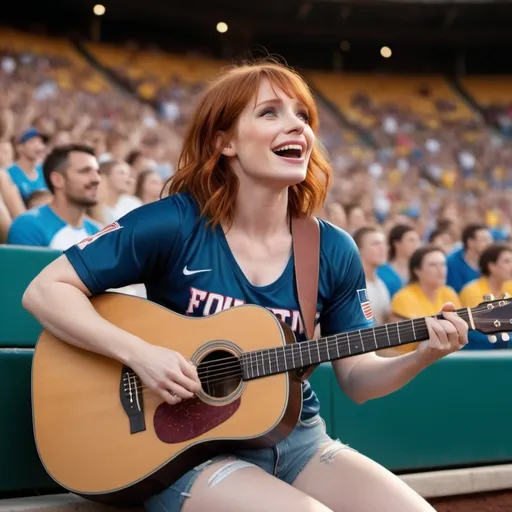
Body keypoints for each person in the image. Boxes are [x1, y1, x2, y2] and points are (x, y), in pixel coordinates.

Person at [23, 61, 468, 512]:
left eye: (303, 116)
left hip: (296, 441)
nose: (296, 125)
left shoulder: (332, 248)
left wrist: (423, 354)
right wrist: (141, 354)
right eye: (270, 112)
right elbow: (45, 290)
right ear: (224, 141)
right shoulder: (174, 221)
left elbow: (357, 380)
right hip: (182, 454)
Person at [7, 144, 100, 249]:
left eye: (97, 172)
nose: (96, 179)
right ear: (57, 180)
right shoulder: (28, 227)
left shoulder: (97, 232)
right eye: (85, 171)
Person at [389, 245, 461, 356]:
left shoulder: (449, 293)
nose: (440, 270)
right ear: (417, 270)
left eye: (443, 264)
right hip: (409, 359)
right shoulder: (403, 297)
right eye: (433, 265)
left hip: (445, 358)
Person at [459, 243, 512, 349]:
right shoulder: (472, 290)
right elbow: (478, 334)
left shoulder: (509, 286)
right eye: (507, 261)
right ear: (492, 266)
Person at [353, 226, 391, 325]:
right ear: (359, 249)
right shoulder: (352, 285)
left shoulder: (380, 283)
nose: (383, 248)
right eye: (375, 244)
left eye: (384, 243)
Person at [377, 224, 422, 298]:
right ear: (397, 244)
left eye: (418, 240)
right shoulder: (381, 271)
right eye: (411, 240)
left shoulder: (422, 270)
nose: (416, 245)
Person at [446, 223, 493, 293]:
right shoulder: (451, 263)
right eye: (484, 239)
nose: (490, 243)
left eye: (490, 239)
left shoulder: (492, 261)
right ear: (470, 242)